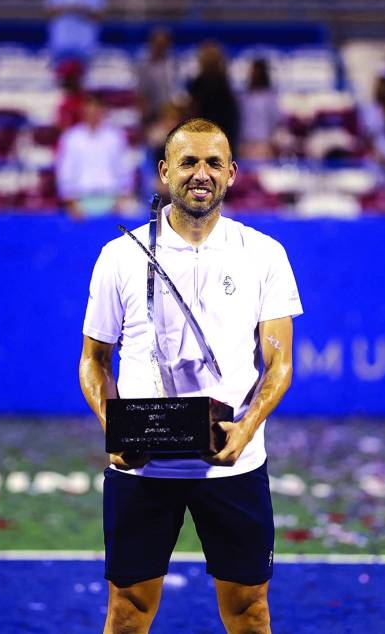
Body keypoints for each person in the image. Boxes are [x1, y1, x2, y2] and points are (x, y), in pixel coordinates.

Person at [79, 117, 303, 633]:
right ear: (164, 172)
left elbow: (280, 364)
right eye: (187, 162)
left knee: (249, 610)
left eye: (212, 163)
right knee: (128, 610)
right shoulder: (119, 257)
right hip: (143, 465)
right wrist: (113, 428)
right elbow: (93, 360)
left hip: (234, 462)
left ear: (231, 174)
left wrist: (245, 431)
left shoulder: (264, 255)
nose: (200, 173)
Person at [55, 93, 134, 218]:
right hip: (80, 200)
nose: (92, 113)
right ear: (83, 110)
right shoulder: (71, 138)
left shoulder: (115, 137)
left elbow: (124, 168)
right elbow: (65, 170)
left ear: (103, 111)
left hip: (111, 199)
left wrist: (122, 197)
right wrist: (70, 201)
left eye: (96, 108)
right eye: (89, 108)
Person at [186, 41, 240, 155]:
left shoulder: (224, 82)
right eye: (208, 58)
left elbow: (232, 112)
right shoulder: (198, 83)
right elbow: (193, 109)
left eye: (213, 59)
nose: (210, 62)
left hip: (224, 131)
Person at [45, 0, 106, 67]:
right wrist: (68, 8)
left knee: (80, 78)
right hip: (62, 43)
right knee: (62, 76)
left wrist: (84, 10)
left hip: (84, 45)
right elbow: (49, 11)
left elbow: (100, 15)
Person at [238, 58, 282, 161]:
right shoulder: (243, 95)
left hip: (262, 142)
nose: (253, 74)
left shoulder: (270, 96)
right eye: (252, 71)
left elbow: (275, 119)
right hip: (244, 142)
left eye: (256, 71)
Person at [136, 27, 177, 127]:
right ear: (152, 44)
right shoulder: (145, 66)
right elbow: (141, 93)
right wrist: (145, 114)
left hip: (171, 112)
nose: (160, 47)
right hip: (152, 113)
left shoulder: (173, 64)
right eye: (158, 44)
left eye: (163, 44)